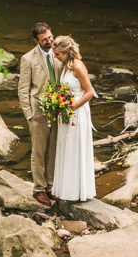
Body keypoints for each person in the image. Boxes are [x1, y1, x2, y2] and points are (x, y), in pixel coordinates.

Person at [18, 22, 62, 206]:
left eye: (50, 37)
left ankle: (50, 186)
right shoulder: (28, 59)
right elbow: (23, 89)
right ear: (36, 40)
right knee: (38, 152)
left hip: (57, 111)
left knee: (52, 150)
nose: (49, 41)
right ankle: (38, 189)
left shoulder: (58, 53)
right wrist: (29, 114)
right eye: (44, 40)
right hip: (38, 113)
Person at [50, 36, 96, 202]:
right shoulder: (65, 66)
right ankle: (66, 191)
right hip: (67, 112)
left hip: (77, 112)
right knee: (65, 149)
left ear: (66, 52)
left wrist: (72, 107)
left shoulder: (78, 66)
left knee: (75, 149)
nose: (56, 57)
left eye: (58, 54)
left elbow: (90, 91)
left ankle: (78, 192)